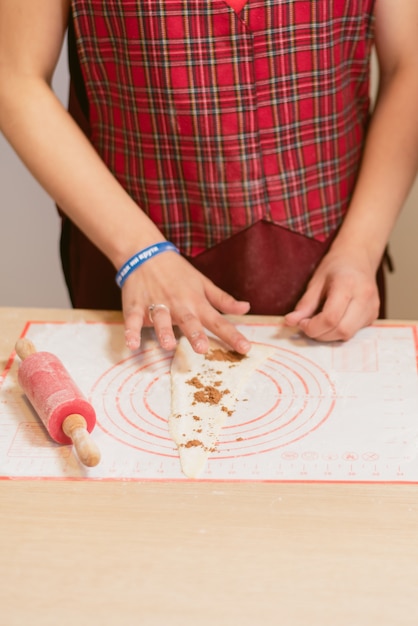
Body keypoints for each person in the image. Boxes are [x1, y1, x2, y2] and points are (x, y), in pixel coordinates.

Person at [0, 0, 417, 356]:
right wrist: (137, 252)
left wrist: (360, 247)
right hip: (131, 270)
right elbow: (14, 76)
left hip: (336, 267)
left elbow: (409, 65)